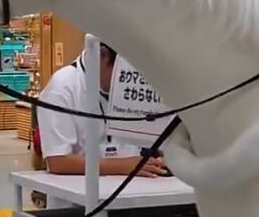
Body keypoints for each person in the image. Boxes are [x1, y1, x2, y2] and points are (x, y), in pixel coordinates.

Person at [38, 43, 167, 177]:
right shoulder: (61, 89)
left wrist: (166, 158)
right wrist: (124, 166)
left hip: (137, 185)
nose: (130, 80)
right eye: (124, 72)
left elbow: (155, 136)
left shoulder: (133, 86)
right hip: (79, 191)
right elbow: (58, 162)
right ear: (101, 55)